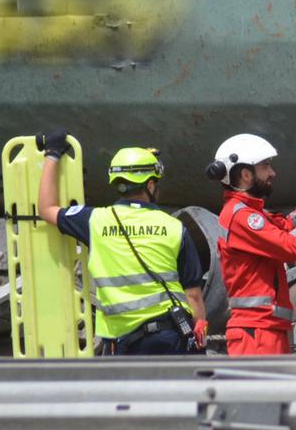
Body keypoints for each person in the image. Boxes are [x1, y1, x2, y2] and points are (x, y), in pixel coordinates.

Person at [35, 133, 205, 356]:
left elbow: (46, 209)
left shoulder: (94, 221)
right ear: (151, 185)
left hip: (124, 342)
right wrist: (200, 327)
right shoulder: (174, 227)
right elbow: (193, 295)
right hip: (170, 337)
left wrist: (53, 154)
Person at [206, 133, 296, 356]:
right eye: (266, 166)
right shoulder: (242, 217)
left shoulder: (250, 213)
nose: (273, 173)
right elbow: (291, 247)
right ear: (246, 174)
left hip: (266, 329)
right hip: (257, 333)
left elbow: (284, 228)